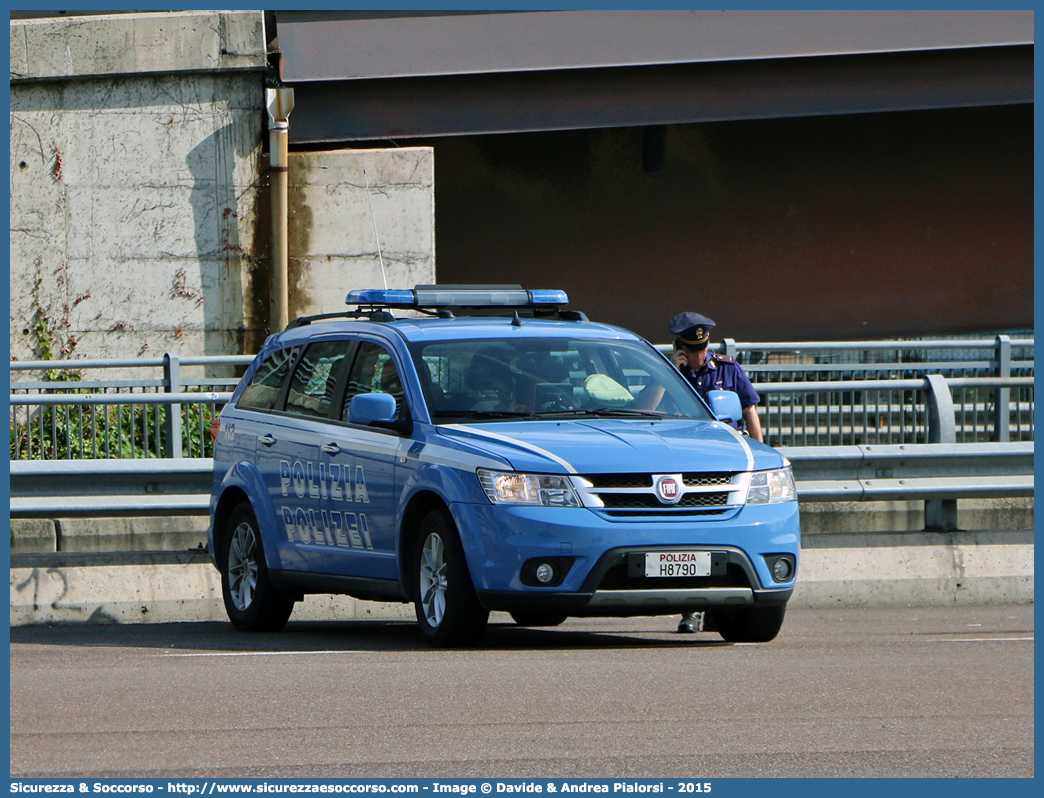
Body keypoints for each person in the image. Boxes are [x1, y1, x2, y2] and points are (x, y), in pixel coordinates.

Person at [668, 312, 763, 633]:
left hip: (725, 461)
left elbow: (749, 409)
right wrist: (675, 373)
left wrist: (760, 452)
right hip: (688, 463)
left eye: (702, 348)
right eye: (691, 350)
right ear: (679, 347)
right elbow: (650, 405)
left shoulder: (726, 368)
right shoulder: (671, 374)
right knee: (693, 538)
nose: (698, 356)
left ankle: (717, 607)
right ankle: (693, 609)